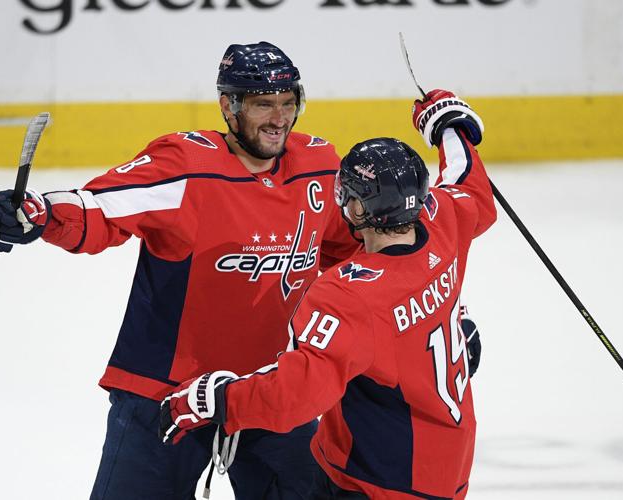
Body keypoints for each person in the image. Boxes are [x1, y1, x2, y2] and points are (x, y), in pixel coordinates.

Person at [0, 42, 363, 499]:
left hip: (272, 388)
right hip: (164, 388)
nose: (279, 118)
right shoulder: (186, 166)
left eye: (288, 103)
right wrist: (39, 214)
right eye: (263, 104)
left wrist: (440, 317)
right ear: (229, 106)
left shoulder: (319, 167)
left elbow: (362, 254)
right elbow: (101, 208)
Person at [159, 89, 497, 499]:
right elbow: (470, 187)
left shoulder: (350, 293)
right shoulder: (443, 224)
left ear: (357, 210)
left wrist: (219, 398)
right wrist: (451, 126)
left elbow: (296, 395)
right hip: (447, 472)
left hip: (374, 481)